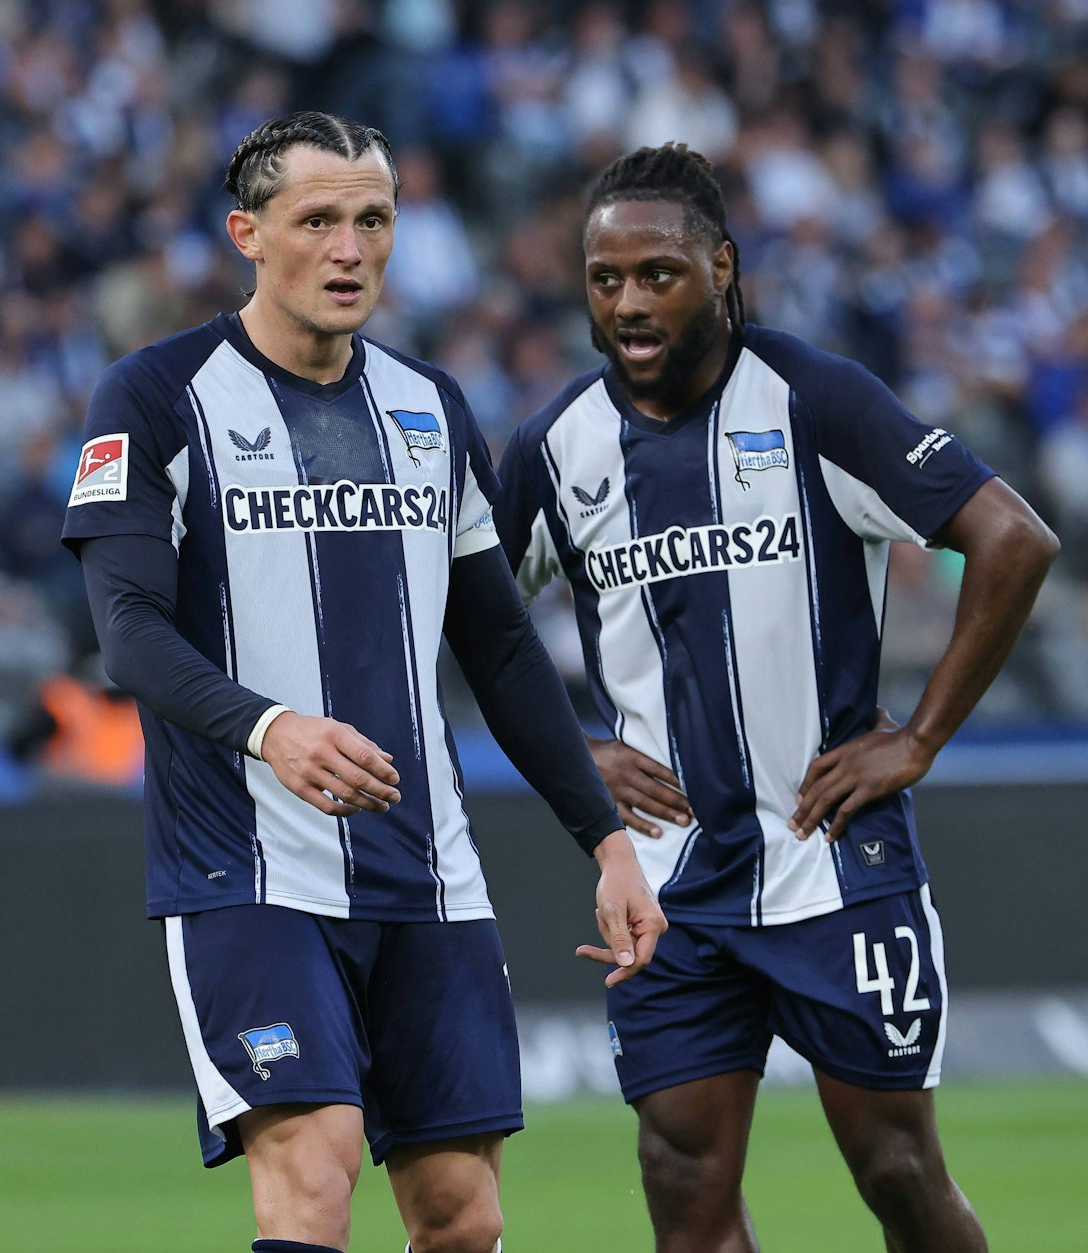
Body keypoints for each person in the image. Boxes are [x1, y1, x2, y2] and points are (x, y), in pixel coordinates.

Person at [63, 111, 665, 1253]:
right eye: (317, 220)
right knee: (313, 1173)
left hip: (426, 871)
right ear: (247, 232)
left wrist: (606, 841)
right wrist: (270, 729)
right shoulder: (154, 398)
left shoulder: (428, 408)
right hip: (245, 866)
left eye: (373, 219)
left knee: (460, 1214)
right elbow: (127, 631)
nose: (349, 248)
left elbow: (495, 644)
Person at [494, 144, 1061, 1253]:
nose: (627, 302)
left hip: (831, 864)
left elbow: (1012, 538)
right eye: (603, 279)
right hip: (667, 884)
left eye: (655, 273)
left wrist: (917, 737)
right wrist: (562, 747)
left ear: (720, 267)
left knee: (897, 1169)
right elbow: (450, 613)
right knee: (683, 1186)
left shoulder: (814, 400)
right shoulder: (557, 447)